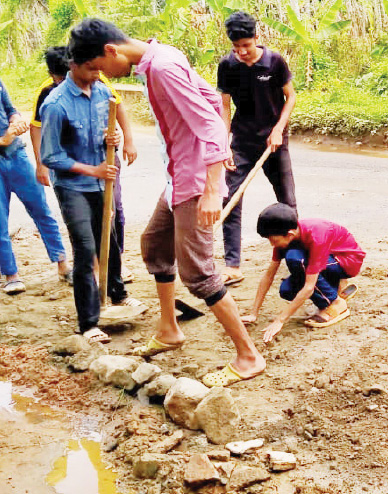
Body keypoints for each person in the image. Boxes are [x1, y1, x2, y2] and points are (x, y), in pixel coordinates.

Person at [68, 18, 266, 386]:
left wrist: (211, 186)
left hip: (193, 181)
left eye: (98, 67)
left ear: (111, 51)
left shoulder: (161, 69)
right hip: (179, 176)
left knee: (199, 274)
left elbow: (208, 122)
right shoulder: (160, 54)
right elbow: (209, 98)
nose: (100, 75)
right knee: (155, 245)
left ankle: (248, 355)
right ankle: (169, 328)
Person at [40, 58, 143, 343]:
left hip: (101, 181)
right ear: (73, 65)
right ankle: (88, 322)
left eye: (99, 69)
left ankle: (117, 295)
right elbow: (51, 156)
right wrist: (91, 170)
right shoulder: (55, 104)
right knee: (85, 249)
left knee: (107, 239)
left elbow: (104, 135)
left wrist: (113, 139)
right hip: (73, 185)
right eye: (91, 69)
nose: (97, 74)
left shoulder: (101, 93)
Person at [31, 46, 139, 283]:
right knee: (81, 224)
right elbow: (37, 127)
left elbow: (116, 106)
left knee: (113, 211)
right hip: (72, 174)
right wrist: (41, 163)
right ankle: (92, 266)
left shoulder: (96, 80)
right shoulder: (51, 97)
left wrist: (124, 139)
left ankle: (114, 262)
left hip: (104, 163)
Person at [217, 11, 297, 286]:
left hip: (274, 141)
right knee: (230, 198)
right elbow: (225, 106)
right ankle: (232, 265)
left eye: (246, 46)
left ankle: (295, 258)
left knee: (287, 201)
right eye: (236, 47)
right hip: (242, 140)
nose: (242, 52)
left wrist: (278, 129)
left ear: (256, 38)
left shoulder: (274, 61)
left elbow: (291, 96)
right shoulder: (227, 65)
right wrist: (223, 143)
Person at [242, 204, 364, 343]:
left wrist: (280, 320)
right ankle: (334, 287)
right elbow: (269, 275)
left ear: (290, 234)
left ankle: (336, 303)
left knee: (296, 260)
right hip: (326, 259)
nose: (272, 245)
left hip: (346, 260)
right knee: (287, 290)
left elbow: (309, 287)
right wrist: (254, 313)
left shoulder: (317, 237)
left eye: (274, 240)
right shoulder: (285, 238)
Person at [0, 77, 70, 295]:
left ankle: (62, 264)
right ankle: (11, 275)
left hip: (16, 155)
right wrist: (3, 138)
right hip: (6, 147)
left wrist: (16, 120)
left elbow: (10, 109)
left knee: (41, 209)